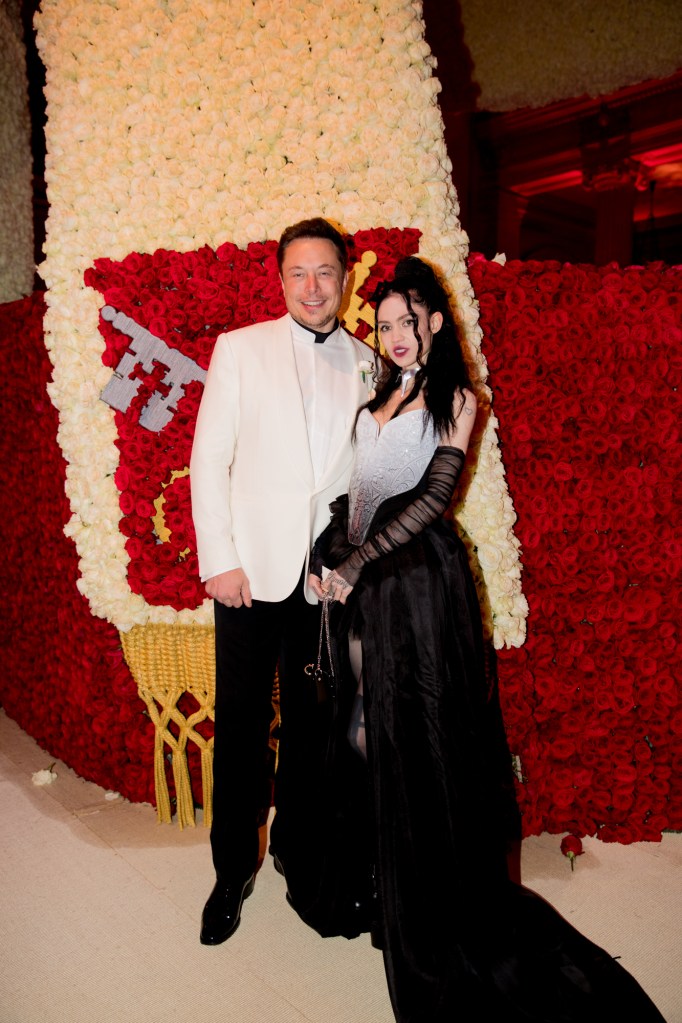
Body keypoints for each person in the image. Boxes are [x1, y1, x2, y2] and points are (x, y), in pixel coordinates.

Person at [288, 257, 666, 1022]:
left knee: (414, 742)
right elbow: (357, 489)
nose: (395, 335)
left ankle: (431, 905)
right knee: (364, 734)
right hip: (363, 586)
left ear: (434, 322)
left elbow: (434, 497)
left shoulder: (457, 398)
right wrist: (328, 554)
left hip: (418, 587)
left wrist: (358, 562)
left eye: (408, 320)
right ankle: (385, 885)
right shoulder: (381, 394)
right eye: (384, 323)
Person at [189, 217, 374, 946]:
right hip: (248, 573)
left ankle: (302, 858)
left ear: (345, 278)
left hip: (322, 583)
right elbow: (211, 460)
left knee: (313, 728)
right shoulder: (240, 349)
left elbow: (363, 477)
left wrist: (350, 567)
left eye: (325, 272)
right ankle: (231, 870)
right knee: (239, 728)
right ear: (281, 279)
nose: (312, 286)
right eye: (299, 272)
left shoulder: (368, 361)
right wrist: (219, 559)